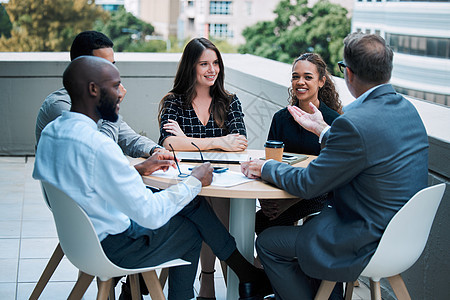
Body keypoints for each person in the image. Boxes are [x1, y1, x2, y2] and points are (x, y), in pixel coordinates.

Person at [33, 56, 271, 300]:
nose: (122, 93)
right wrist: (195, 181)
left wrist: (137, 170)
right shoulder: (99, 146)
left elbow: (85, 179)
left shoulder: (52, 132)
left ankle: (246, 274)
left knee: (190, 203)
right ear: (93, 89)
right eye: (115, 86)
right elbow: (149, 213)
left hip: (78, 239)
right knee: (190, 230)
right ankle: (243, 275)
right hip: (114, 247)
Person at [241, 32, 429, 299]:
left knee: (269, 243)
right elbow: (365, 146)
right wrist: (322, 130)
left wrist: (264, 167)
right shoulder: (407, 109)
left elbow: (308, 184)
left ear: (348, 73)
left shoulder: (353, 121)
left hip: (363, 236)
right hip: (403, 238)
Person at [158, 37, 247, 300]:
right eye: (204, 64)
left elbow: (240, 142)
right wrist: (219, 141)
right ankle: (237, 278)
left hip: (223, 181)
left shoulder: (229, 101)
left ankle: (210, 279)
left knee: (215, 202)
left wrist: (188, 141)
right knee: (209, 206)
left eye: (216, 63)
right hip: (185, 182)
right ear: (190, 67)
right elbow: (169, 143)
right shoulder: (174, 101)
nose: (212, 70)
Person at [35, 31, 164, 162]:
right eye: (104, 65)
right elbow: (100, 154)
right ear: (81, 67)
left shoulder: (97, 99)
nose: (112, 72)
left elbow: (127, 137)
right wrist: (114, 105)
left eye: (112, 65)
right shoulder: (60, 106)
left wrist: (156, 150)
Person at [255, 53, 342, 235]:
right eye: (296, 77)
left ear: (321, 81)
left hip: (318, 195)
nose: (300, 82)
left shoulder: (334, 122)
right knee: (261, 220)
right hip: (284, 190)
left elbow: (330, 177)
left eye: (308, 77)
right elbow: (271, 161)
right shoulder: (280, 118)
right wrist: (266, 200)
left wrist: (286, 203)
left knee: (267, 222)